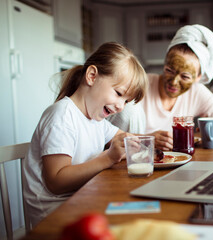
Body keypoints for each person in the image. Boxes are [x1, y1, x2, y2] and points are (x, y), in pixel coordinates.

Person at [22, 42, 148, 227]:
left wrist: (146, 141)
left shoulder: (95, 120)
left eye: (126, 101)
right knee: (129, 221)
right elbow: (56, 182)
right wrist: (108, 158)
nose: (121, 106)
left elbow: (125, 139)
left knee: (140, 210)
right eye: (118, 93)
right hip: (54, 213)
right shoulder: (62, 116)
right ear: (91, 76)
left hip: (82, 198)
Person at [109, 24, 213, 151]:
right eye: (169, 70)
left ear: (198, 78)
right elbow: (107, 133)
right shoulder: (140, 84)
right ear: (164, 63)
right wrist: (148, 139)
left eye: (185, 77)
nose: (174, 82)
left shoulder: (197, 92)